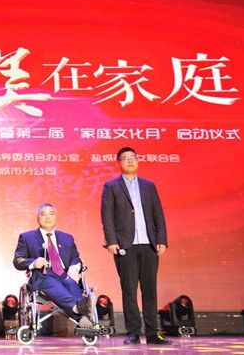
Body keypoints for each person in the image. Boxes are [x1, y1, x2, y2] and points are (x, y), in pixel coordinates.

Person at [100, 147, 172, 345]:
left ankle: (152, 333)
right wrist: (111, 241)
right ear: (119, 163)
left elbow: (158, 214)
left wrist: (162, 239)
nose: (130, 161)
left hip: (149, 244)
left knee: (150, 290)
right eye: (125, 158)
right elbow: (107, 216)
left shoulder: (149, 186)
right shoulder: (111, 186)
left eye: (133, 157)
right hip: (126, 245)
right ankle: (133, 332)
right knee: (129, 290)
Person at [13, 203, 93, 328]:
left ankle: (82, 318)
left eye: (51, 214)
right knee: (50, 281)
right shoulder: (27, 237)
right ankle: (78, 307)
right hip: (43, 276)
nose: (48, 217)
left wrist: (74, 267)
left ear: (56, 217)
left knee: (70, 283)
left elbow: (75, 258)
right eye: (43, 214)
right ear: (37, 218)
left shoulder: (67, 238)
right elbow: (18, 260)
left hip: (65, 275)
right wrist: (33, 263)